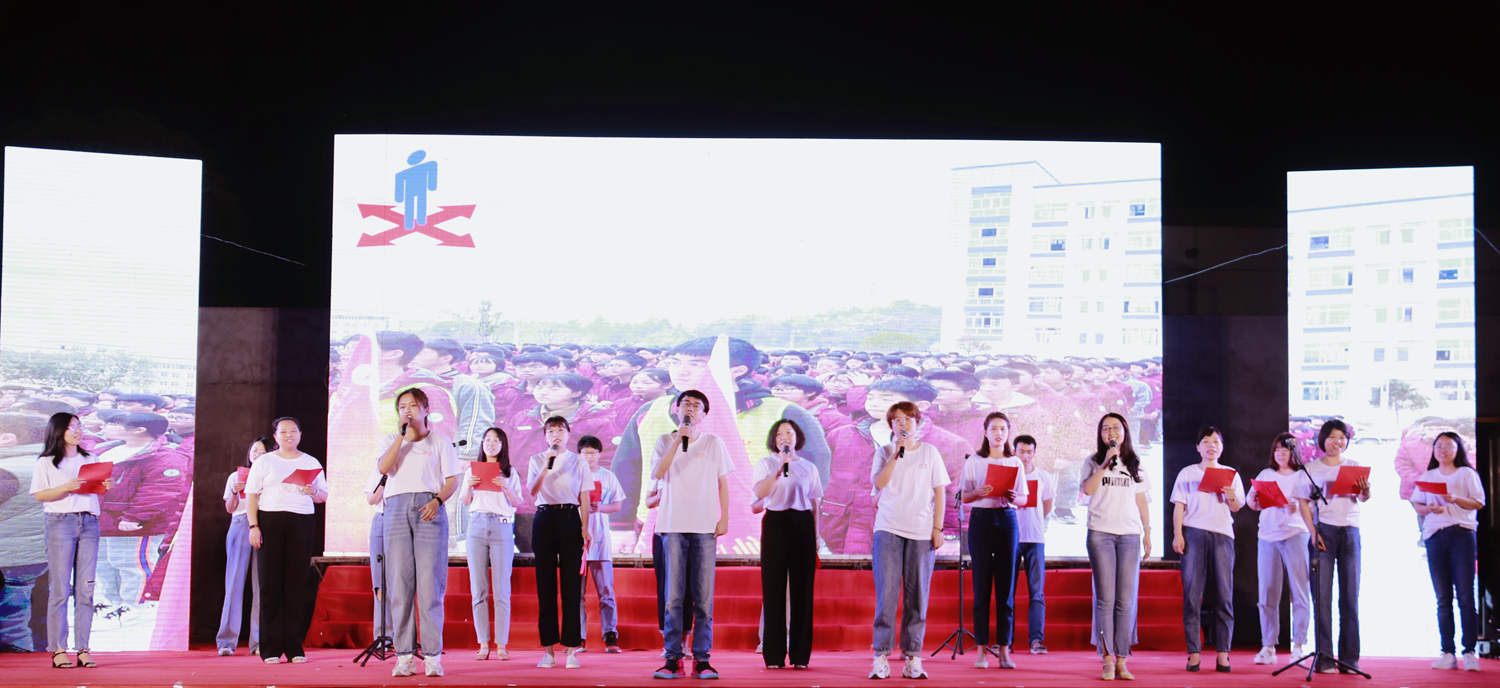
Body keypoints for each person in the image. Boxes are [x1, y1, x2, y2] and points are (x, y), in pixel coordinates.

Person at [377, 389, 462, 678]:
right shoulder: (392, 440)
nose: (408, 410)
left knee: (430, 585)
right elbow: (384, 468)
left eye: (413, 405)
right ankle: (404, 656)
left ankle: (432, 656)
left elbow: (452, 480)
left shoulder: (440, 442)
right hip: (396, 509)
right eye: (402, 406)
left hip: (429, 508)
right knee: (399, 584)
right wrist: (401, 437)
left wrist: (437, 501)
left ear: (426, 409)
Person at [652, 390, 732, 680]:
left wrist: (724, 517)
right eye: (685, 403)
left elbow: (723, 483)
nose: (690, 408)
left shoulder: (713, 443)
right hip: (672, 525)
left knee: (704, 600)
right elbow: (658, 473)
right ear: (676, 409)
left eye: (696, 406)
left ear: (704, 415)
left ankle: (702, 659)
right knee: (673, 598)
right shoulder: (664, 440)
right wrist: (678, 440)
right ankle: (673, 659)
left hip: (705, 527)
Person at [866, 401, 948, 680]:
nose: (903, 424)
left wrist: (937, 528)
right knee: (886, 595)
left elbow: (940, 492)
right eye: (898, 420)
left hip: (921, 531)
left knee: (918, 597)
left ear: (918, 423)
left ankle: (913, 657)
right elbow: (879, 483)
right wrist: (897, 454)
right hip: (888, 528)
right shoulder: (884, 452)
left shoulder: (930, 452)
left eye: (908, 419)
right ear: (891, 425)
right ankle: (880, 656)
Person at [29, 412, 110, 669]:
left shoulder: (90, 457)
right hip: (60, 522)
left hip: (89, 522)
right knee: (60, 589)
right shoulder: (47, 462)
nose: (78, 431)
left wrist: (103, 485)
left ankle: (83, 649)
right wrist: (66, 487)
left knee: (86, 589)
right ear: (59, 430)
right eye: (72, 427)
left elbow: (94, 489)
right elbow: (40, 495)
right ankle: (58, 649)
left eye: (79, 426)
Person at [246, 417, 329, 665]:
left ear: (300, 434)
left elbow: (323, 496)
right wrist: (254, 526)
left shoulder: (310, 462)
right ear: (275, 437)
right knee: (270, 584)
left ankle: (294, 647)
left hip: (302, 522)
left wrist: (314, 491)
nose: (289, 435)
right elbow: (252, 496)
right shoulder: (265, 462)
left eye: (293, 431)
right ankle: (270, 647)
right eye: (283, 432)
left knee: (296, 584)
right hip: (269, 521)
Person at [1081, 413, 1151, 681]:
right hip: (1101, 534)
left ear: (1125, 431)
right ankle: (1107, 660)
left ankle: (1122, 660)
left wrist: (1148, 532)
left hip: (1130, 535)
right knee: (1105, 599)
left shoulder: (1135, 462)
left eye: (1116, 427)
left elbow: (1142, 500)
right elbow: (1088, 490)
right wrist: (1105, 463)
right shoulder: (1092, 461)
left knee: (1125, 600)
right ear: (1100, 434)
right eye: (1105, 428)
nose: (1111, 432)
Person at [1171, 427, 1244, 673]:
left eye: (1216, 441)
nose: (1211, 445)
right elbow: (1179, 506)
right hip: (1194, 532)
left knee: (1224, 593)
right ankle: (1194, 653)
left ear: (1221, 447)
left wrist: (1231, 496)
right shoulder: (1187, 473)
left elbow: (1236, 507)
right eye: (1206, 441)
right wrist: (1178, 534)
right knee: (1192, 593)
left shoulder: (1230, 474)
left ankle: (1223, 654)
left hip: (1223, 534)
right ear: (1198, 447)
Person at [1410, 432, 1485, 672]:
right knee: (1443, 598)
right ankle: (1447, 653)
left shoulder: (1466, 474)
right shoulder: (1428, 476)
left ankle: (1469, 652)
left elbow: (1478, 503)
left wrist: (1454, 498)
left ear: (1457, 449)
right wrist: (1428, 509)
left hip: (1461, 534)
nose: (1442, 450)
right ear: (1433, 450)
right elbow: (1417, 504)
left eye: (1448, 446)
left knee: (1465, 597)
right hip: (1435, 536)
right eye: (1439, 446)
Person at [752, 419, 823, 670]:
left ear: (797, 437)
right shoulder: (766, 463)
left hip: (802, 524)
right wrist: (778, 468)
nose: (785, 437)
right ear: (774, 439)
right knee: (773, 588)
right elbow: (760, 493)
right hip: (775, 523)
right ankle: (773, 655)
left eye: (789, 433)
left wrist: (816, 535)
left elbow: (814, 504)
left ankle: (800, 655)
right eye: (780, 434)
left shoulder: (808, 467)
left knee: (803, 590)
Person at [961, 412, 1027, 669]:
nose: (999, 433)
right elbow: (964, 497)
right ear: (985, 432)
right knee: (981, 586)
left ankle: (1004, 650)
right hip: (981, 520)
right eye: (994, 428)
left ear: (1008, 433)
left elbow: (1023, 498)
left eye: (1003, 429)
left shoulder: (1015, 461)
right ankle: (981, 651)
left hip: (1007, 519)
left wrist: (1013, 497)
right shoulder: (975, 460)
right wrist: (978, 492)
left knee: (1006, 588)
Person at [1304, 419, 1369, 674]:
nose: (1337, 441)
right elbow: (1303, 502)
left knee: (1350, 595)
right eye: (1332, 437)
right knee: (1321, 597)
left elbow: (1363, 497)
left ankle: (1350, 659)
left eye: (1341, 437)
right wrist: (1313, 532)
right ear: (1323, 439)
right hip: (1324, 531)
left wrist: (1365, 490)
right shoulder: (1312, 468)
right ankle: (1325, 659)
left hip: (1350, 531)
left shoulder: (1354, 465)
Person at [527, 417, 592, 669]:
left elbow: (584, 496)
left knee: (571, 586)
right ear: (545, 436)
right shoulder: (536, 459)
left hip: (570, 517)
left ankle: (572, 650)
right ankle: (548, 651)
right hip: (544, 517)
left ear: (568, 434)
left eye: (561, 430)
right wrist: (547, 465)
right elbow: (533, 490)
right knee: (545, 585)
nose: (556, 434)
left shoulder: (579, 461)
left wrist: (585, 527)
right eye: (551, 430)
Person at [1246, 433, 1316, 666]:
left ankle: (1299, 646)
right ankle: (1268, 646)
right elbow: (1252, 503)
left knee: (1300, 591)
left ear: (1294, 452)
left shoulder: (1302, 476)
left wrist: (1298, 506)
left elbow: (1312, 507)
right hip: (1268, 537)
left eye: (1285, 450)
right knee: (1267, 592)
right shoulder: (1266, 475)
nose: (1281, 454)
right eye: (1277, 450)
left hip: (1296, 534)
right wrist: (1257, 498)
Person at [461, 427, 525, 661]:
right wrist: (469, 485)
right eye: (487, 439)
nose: (490, 443)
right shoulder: (472, 471)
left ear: (503, 445)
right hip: (476, 526)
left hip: (501, 527)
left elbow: (517, 502)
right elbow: (465, 501)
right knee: (478, 588)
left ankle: (501, 644)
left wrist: (506, 486)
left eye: (496, 440)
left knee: (501, 590)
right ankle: (483, 643)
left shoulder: (510, 472)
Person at [216, 437, 270, 656]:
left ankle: (258, 642)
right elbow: (230, 508)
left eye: (262, 451)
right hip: (240, 524)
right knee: (234, 583)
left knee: (261, 586)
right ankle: (226, 642)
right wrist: (234, 492)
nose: (257, 454)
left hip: (264, 525)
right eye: (254, 450)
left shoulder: (272, 477)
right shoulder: (235, 476)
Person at [578, 435, 625, 653]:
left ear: (599, 454)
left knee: (606, 591)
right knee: (576, 594)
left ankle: (610, 635)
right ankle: (578, 636)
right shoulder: (573, 476)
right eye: (585, 453)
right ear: (579, 455)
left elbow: (617, 505)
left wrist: (600, 508)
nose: (589, 457)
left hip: (601, 541)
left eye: (593, 452)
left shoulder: (608, 476)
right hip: (577, 541)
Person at [1011, 434, 1054, 655]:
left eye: (1029, 452)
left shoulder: (1044, 476)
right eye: (1021, 451)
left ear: (1034, 452)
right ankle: (1006, 642)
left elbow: (1047, 505)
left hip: (1035, 539)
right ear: (1014, 452)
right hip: (1011, 539)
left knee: (1037, 592)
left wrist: (1034, 520)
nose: (1025, 456)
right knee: (1007, 592)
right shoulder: (1009, 476)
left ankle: (1036, 640)